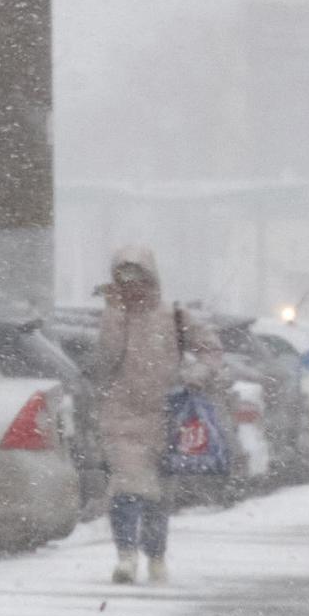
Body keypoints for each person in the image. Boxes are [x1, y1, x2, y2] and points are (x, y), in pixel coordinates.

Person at [82, 248, 199, 585]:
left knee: (159, 495)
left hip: (167, 417)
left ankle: (156, 555)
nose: (132, 286)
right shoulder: (114, 316)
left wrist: (198, 374)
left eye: (138, 278)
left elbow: (209, 349)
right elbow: (105, 360)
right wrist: (115, 315)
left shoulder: (175, 316)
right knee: (127, 489)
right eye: (124, 278)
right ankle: (126, 556)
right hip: (121, 416)